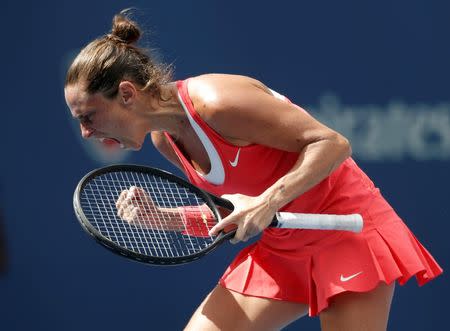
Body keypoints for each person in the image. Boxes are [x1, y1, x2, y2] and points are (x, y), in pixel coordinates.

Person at [64, 10, 443, 331]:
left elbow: (332, 144)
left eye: (89, 115)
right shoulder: (166, 140)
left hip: (348, 235)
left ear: (127, 94)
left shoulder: (218, 103)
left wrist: (267, 202)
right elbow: (232, 212)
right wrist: (164, 218)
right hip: (282, 251)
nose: (85, 131)